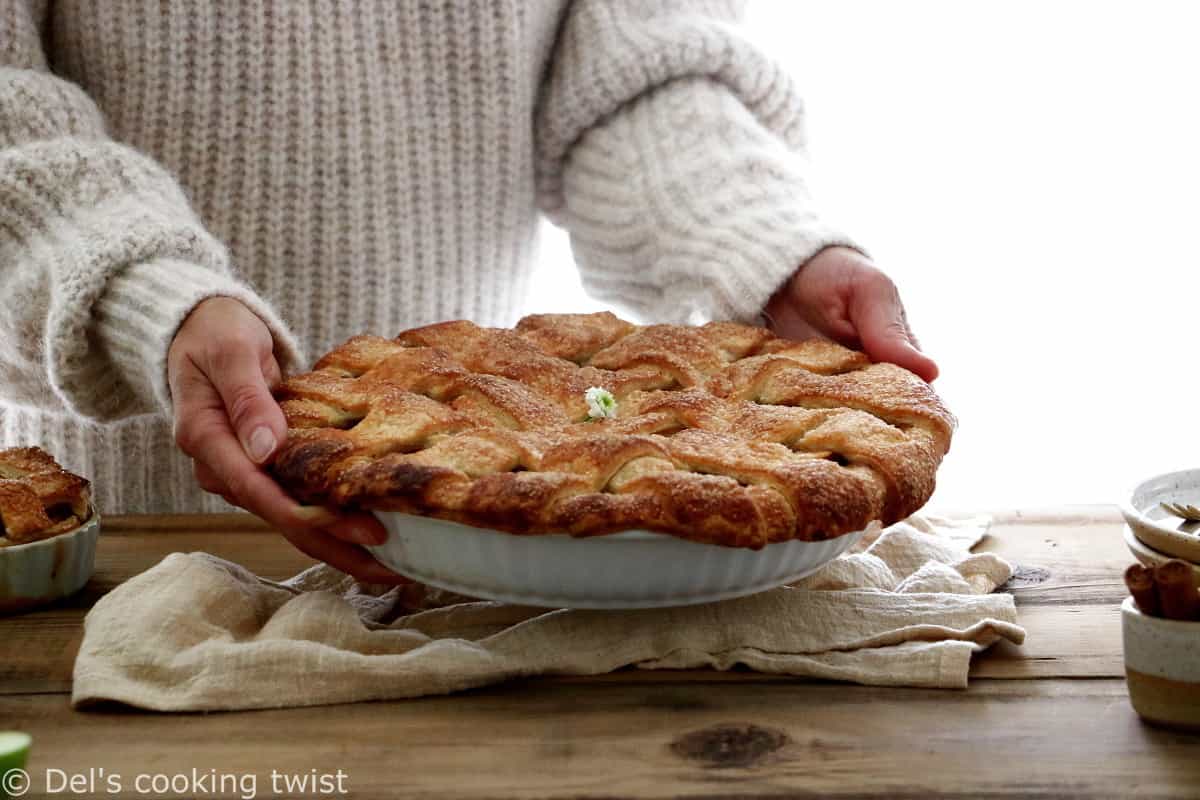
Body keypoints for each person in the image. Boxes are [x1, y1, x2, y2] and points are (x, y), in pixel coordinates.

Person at [0, 1, 937, 582]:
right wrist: (148, 295)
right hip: (126, 543)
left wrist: (762, 246)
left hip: (479, 554)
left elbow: (640, 75)